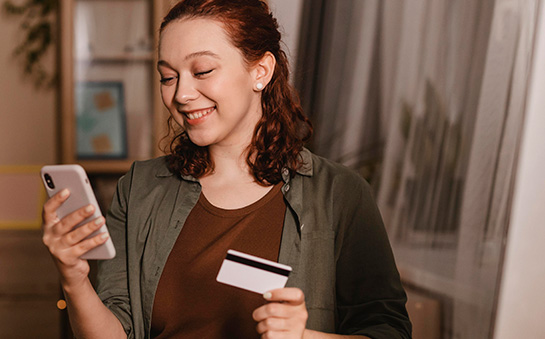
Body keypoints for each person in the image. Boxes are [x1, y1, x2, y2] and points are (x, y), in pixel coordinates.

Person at [42, 0, 412, 338]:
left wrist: (305, 337)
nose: (181, 94)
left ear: (261, 72)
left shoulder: (339, 195)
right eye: (168, 77)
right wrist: (74, 279)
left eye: (202, 71)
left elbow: (389, 331)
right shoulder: (139, 189)